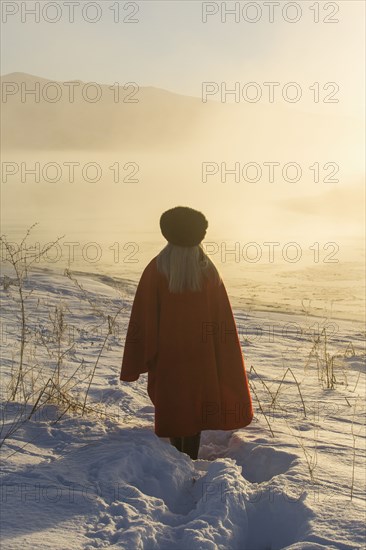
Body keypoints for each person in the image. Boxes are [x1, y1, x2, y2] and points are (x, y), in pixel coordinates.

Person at [120, 206, 254, 460]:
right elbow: (222, 324)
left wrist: (139, 359)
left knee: (175, 408)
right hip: (202, 359)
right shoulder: (209, 272)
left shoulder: (156, 269)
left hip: (169, 359)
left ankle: (178, 460)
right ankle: (187, 457)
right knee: (194, 410)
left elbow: (144, 319)